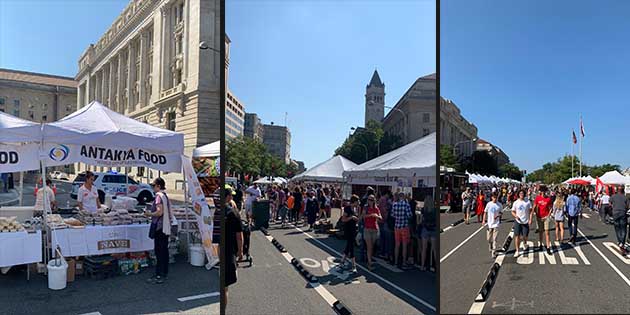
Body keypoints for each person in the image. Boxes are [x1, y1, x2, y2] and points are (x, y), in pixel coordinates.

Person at [145, 178, 174, 284]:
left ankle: (159, 274)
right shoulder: (165, 195)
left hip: (159, 227)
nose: (153, 188)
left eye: (154, 186)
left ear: (158, 186)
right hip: (165, 227)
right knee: (164, 250)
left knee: (159, 251)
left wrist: (149, 214)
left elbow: (159, 212)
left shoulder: (158, 196)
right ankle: (164, 272)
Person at [224, 186, 243, 307]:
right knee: (224, 288)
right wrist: (240, 251)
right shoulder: (234, 213)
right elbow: (239, 235)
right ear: (228, 196)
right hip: (229, 251)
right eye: (231, 195)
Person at [392, 192, 413, 269]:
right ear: (403, 197)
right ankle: (404, 262)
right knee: (404, 245)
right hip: (404, 226)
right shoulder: (406, 205)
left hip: (397, 226)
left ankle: (396, 262)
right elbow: (409, 215)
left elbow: (392, 215)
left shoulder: (394, 204)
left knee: (397, 245)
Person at [340, 195, 360, 273]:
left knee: (349, 246)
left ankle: (342, 262)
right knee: (351, 247)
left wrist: (356, 220)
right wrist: (351, 218)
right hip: (348, 230)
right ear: (354, 201)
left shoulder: (355, 209)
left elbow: (356, 219)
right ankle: (354, 266)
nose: (358, 203)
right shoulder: (347, 208)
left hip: (353, 229)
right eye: (357, 201)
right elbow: (343, 219)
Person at [362, 194, 382, 270]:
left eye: (372, 200)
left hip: (374, 229)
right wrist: (371, 215)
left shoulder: (376, 208)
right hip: (367, 229)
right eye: (369, 199)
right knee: (369, 246)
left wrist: (376, 216)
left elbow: (380, 217)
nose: (370, 201)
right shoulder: (366, 207)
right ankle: (369, 263)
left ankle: (369, 259)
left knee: (372, 247)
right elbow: (363, 216)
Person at [511, 190, 532, 257]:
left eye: (522, 193)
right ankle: (517, 250)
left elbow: (531, 211)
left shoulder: (527, 202)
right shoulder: (516, 202)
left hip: (525, 221)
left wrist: (530, 219)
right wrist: (515, 216)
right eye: (520, 193)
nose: (521, 194)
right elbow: (512, 211)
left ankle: (525, 243)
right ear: (518, 194)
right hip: (518, 222)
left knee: (525, 236)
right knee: (517, 236)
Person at [533, 187, 553, 254]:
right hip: (539, 217)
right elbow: (535, 206)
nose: (543, 192)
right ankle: (541, 244)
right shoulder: (538, 198)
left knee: (547, 232)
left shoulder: (548, 199)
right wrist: (534, 213)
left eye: (544, 191)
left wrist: (549, 215)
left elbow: (550, 208)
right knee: (541, 232)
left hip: (546, 217)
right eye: (542, 191)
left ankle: (548, 247)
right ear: (540, 192)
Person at [609, 186, 629, 256]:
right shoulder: (625, 197)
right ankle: (622, 243)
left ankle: (620, 241)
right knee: (623, 229)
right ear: (623, 190)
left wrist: (614, 207)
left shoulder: (613, 196)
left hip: (615, 213)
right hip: (623, 213)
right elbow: (628, 206)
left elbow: (610, 204)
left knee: (617, 228)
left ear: (617, 190)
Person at [420, 195, 437, 272]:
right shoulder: (434, 209)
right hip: (433, 229)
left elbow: (420, 220)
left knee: (424, 248)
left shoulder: (423, 210)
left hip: (425, 229)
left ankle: (422, 266)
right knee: (434, 249)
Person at [483, 192, 502, 258]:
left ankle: (494, 252)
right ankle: (490, 245)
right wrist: (483, 220)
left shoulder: (499, 205)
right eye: (494, 198)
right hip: (489, 223)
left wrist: (497, 216)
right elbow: (485, 212)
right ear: (492, 198)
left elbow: (501, 213)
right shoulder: (489, 204)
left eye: (496, 198)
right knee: (488, 239)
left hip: (496, 224)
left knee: (495, 239)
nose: (495, 199)